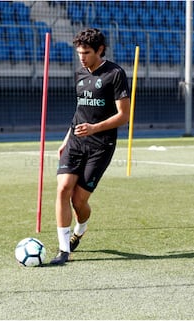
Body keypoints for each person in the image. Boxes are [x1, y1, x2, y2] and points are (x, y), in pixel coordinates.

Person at [50, 28, 131, 265]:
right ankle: (64, 250)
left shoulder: (115, 74)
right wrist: (67, 138)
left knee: (79, 201)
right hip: (76, 141)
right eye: (79, 53)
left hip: (101, 145)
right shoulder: (79, 73)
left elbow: (124, 116)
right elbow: (80, 111)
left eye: (86, 52)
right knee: (63, 189)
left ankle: (80, 229)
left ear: (100, 50)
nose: (82, 57)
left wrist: (94, 129)